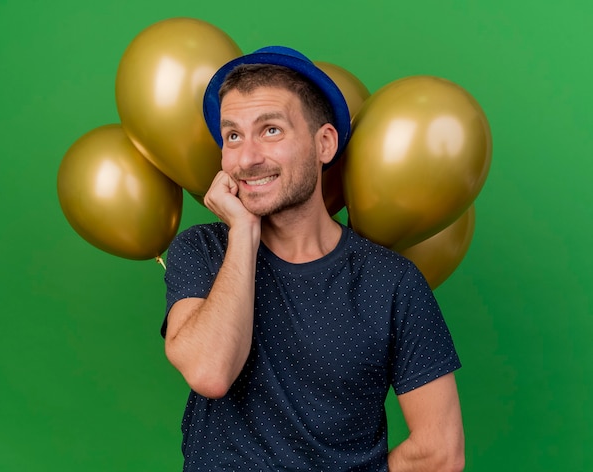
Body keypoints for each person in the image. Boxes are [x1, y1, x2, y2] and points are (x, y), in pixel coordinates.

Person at [162, 46, 464, 471]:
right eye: (233, 136)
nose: (247, 158)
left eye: (270, 131)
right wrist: (244, 233)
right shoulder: (202, 251)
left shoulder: (393, 282)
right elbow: (210, 372)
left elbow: (440, 452)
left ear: (324, 143)